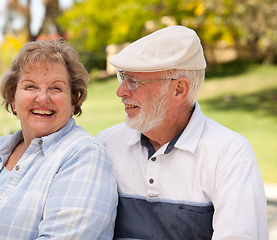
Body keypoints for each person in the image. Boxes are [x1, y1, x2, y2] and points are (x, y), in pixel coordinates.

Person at [0, 39, 117, 240]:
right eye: (30, 87)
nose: (42, 98)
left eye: (56, 88)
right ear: (13, 97)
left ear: (73, 99)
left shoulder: (84, 156)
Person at [97, 25, 268, 239]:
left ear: (179, 89)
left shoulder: (229, 155)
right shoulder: (106, 145)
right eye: (122, 77)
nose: (120, 92)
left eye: (134, 81)